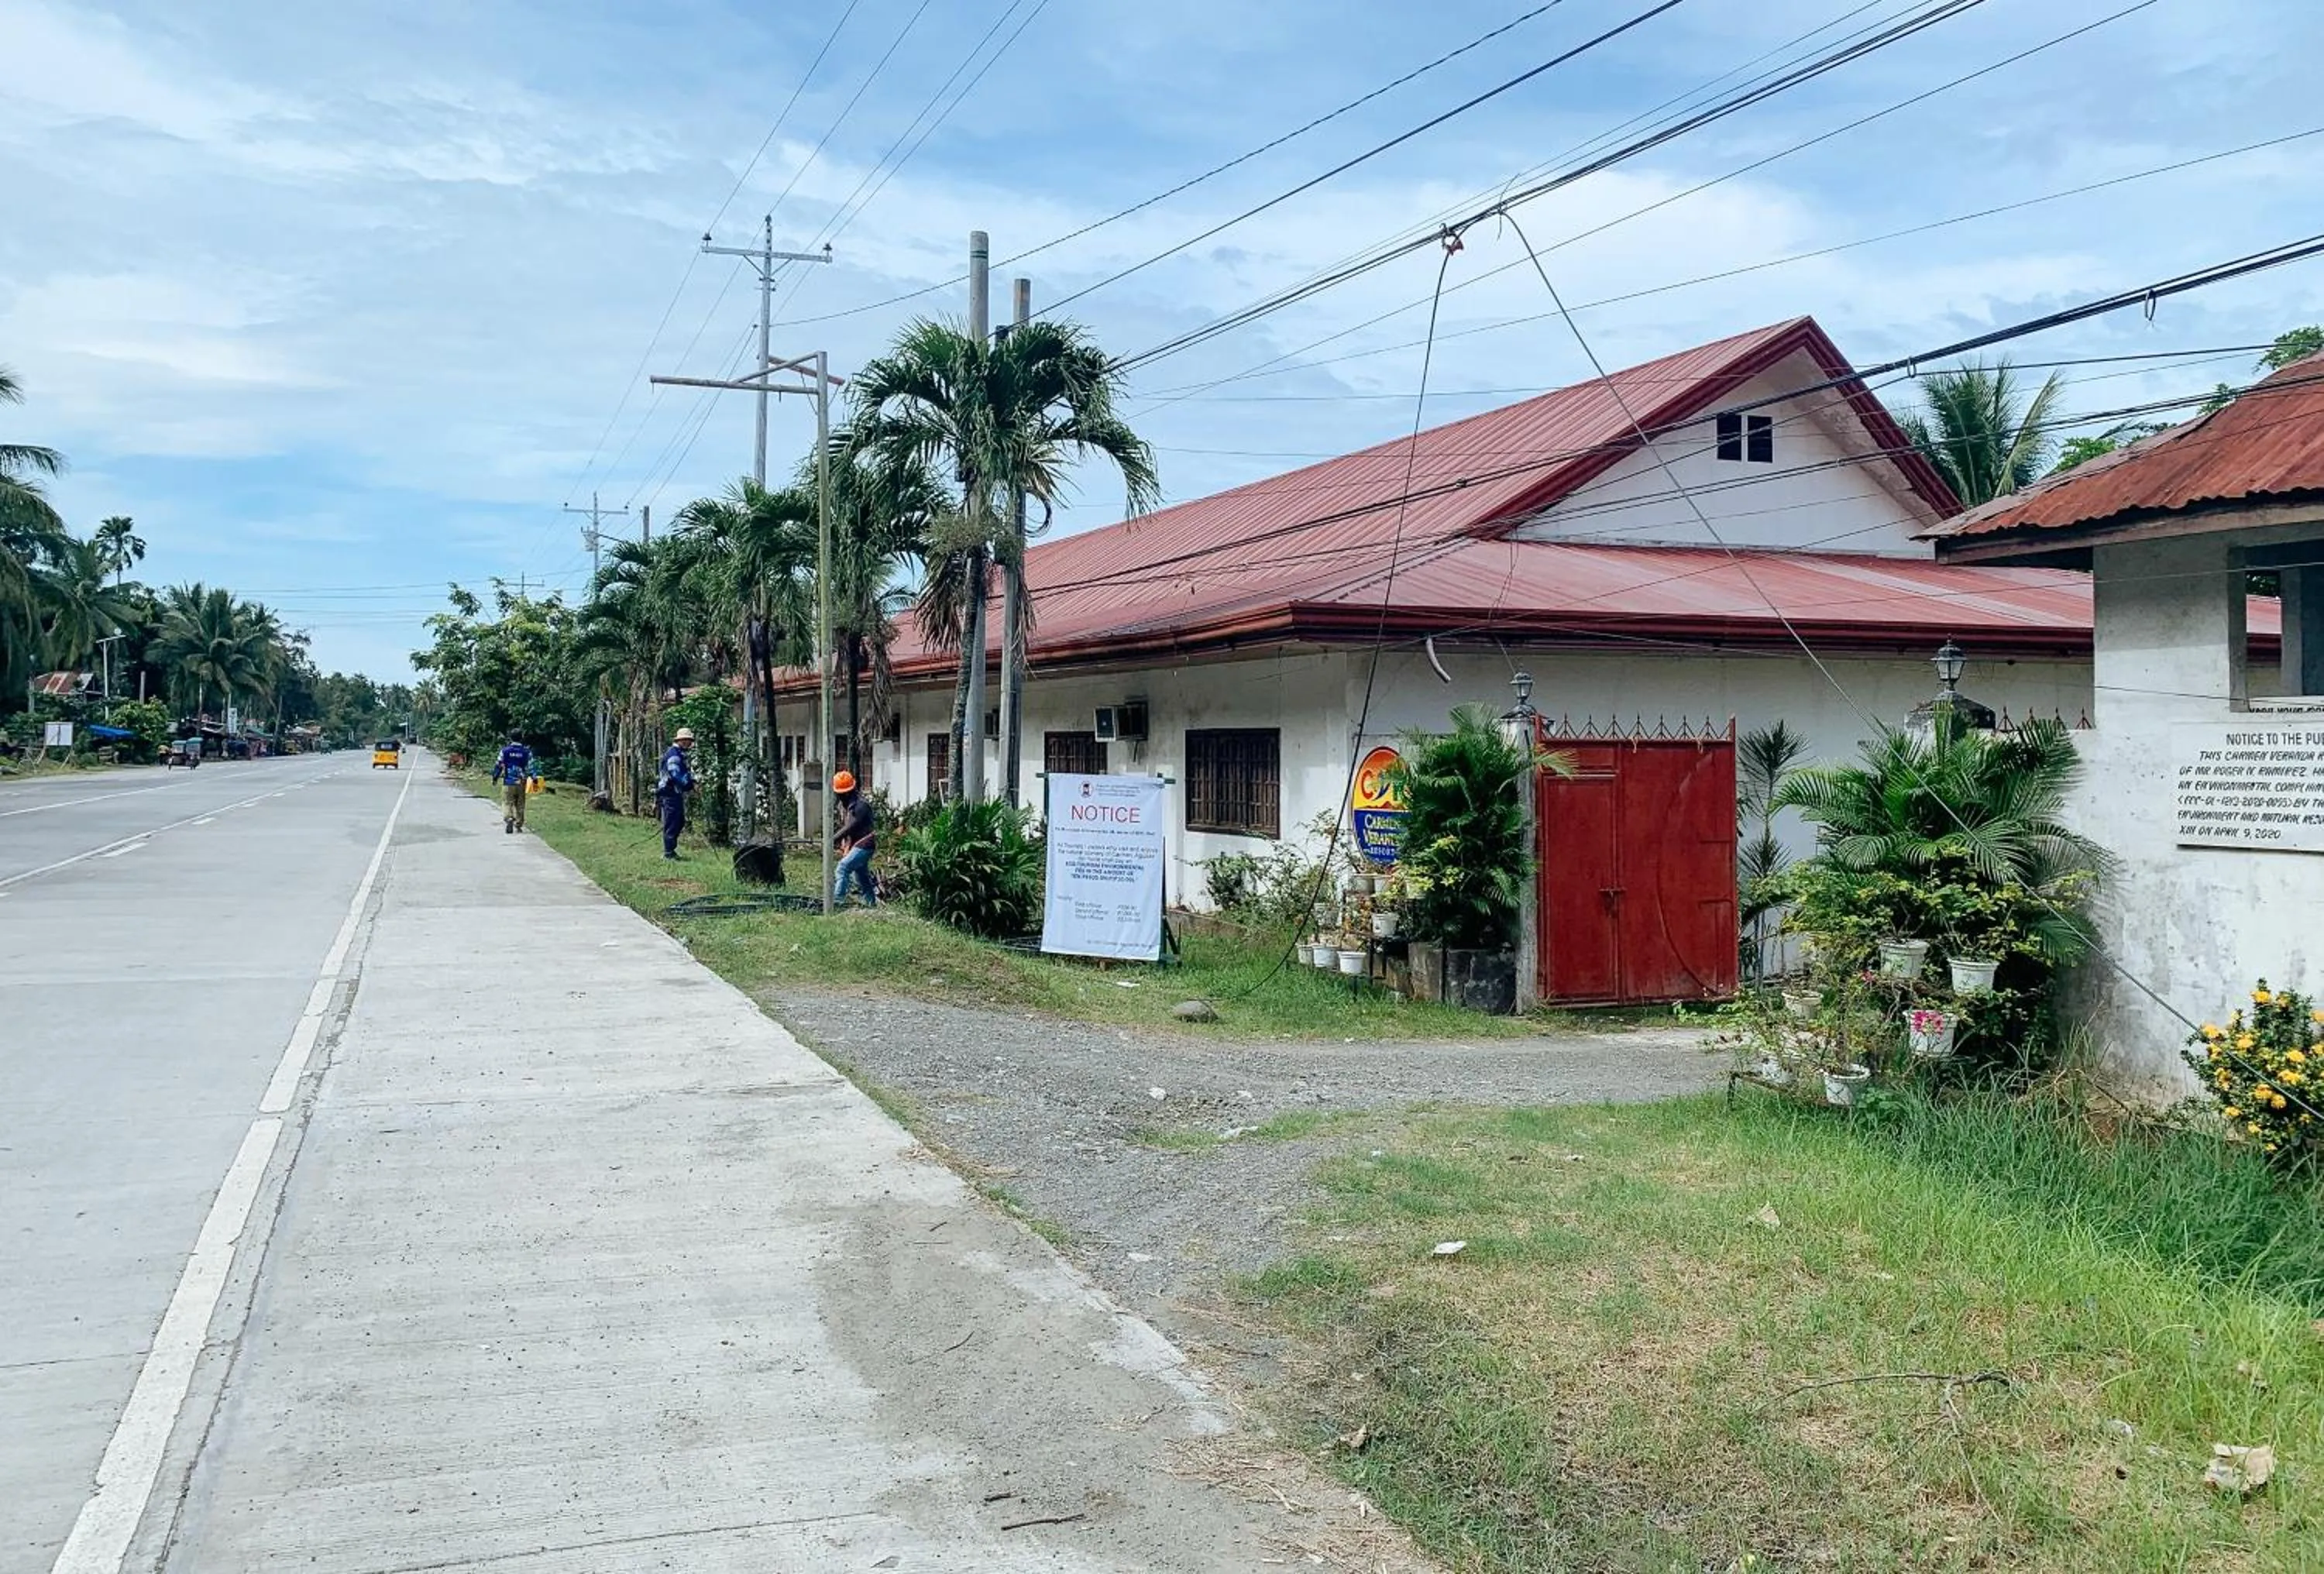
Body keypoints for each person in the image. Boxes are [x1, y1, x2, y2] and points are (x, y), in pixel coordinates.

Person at [831, 769, 878, 908]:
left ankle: (838, 901)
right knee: (862, 876)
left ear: (846, 793)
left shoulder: (861, 806)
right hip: (858, 844)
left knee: (843, 868)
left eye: (839, 794)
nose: (838, 797)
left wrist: (832, 839)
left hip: (864, 845)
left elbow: (850, 827)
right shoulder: (849, 805)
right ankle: (871, 903)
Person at [656, 726, 697, 860]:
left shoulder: (679, 754)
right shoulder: (674, 755)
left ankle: (671, 850)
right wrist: (690, 785)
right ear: (681, 741)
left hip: (674, 792)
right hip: (669, 792)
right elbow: (676, 774)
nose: (689, 743)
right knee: (673, 822)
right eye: (687, 740)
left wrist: (692, 782)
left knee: (679, 821)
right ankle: (668, 853)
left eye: (690, 740)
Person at [492, 733, 533, 833]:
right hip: (521, 782)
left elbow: (499, 765)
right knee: (520, 804)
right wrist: (534, 778)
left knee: (507, 802)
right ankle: (518, 825)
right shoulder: (526, 752)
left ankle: (509, 818)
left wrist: (495, 777)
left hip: (508, 782)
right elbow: (531, 766)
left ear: (511, 738)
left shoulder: (505, 751)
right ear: (521, 738)